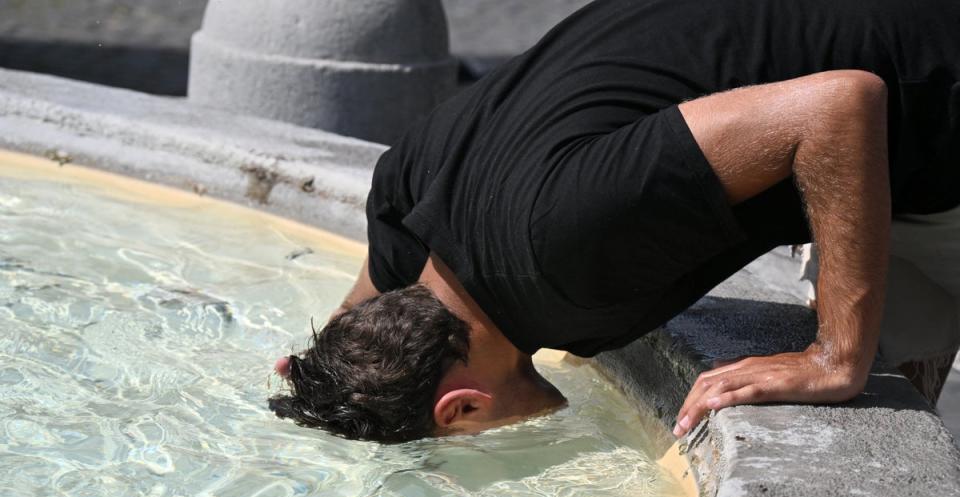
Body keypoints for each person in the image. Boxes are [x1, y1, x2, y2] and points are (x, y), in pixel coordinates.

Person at [269, 0, 960, 443]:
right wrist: (322, 375)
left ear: (461, 408)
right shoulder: (408, 194)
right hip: (877, 120)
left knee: (864, 378)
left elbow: (837, 110)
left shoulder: (561, 254)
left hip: (927, 101)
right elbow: (358, 320)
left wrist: (834, 356)